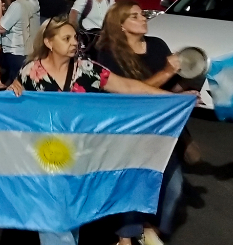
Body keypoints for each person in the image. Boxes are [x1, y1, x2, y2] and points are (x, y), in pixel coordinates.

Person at [19, 16, 181, 245]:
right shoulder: (30, 73)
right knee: (55, 220)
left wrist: (172, 99)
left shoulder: (86, 69)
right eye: (66, 38)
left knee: (70, 217)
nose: (74, 42)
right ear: (49, 43)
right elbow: (13, 108)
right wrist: (11, 89)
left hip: (82, 157)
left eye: (75, 37)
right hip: (47, 158)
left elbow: (128, 86)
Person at [94, 1, 185, 245]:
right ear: (120, 25)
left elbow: (172, 86)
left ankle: (148, 228)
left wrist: (188, 88)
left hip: (163, 130)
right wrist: (166, 72)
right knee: (133, 186)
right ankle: (127, 236)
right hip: (130, 132)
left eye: (142, 14)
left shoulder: (157, 45)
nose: (142, 18)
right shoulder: (108, 54)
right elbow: (130, 94)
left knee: (172, 188)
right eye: (134, 16)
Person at [0, 0, 40, 86]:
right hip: (30, 50)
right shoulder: (35, 2)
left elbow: (1, 28)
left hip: (16, 52)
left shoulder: (17, 5)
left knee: (17, 84)